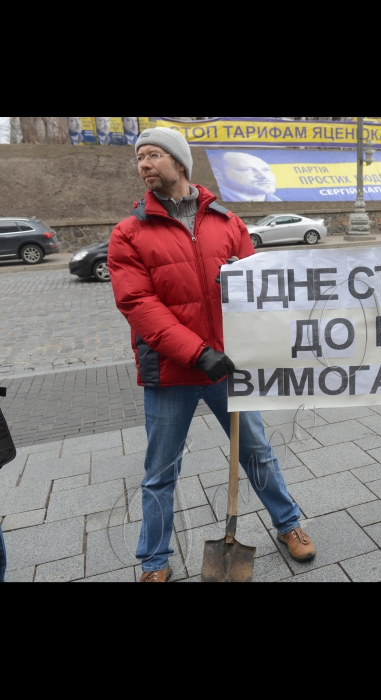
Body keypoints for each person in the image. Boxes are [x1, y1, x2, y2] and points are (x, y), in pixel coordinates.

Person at [108, 127, 316, 583]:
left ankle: (289, 525)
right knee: (160, 471)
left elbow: (256, 289)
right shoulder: (128, 233)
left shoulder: (227, 222)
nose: (143, 164)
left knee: (258, 453)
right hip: (170, 369)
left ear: (179, 163)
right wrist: (196, 352)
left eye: (153, 155)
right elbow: (138, 304)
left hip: (228, 368)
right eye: (139, 157)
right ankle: (154, 562)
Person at [214, 152, 282, 203]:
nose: (264, 176)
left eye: (266, 170)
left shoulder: (277, 201)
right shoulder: (213, 203)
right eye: (246, 169)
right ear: (217, 174)